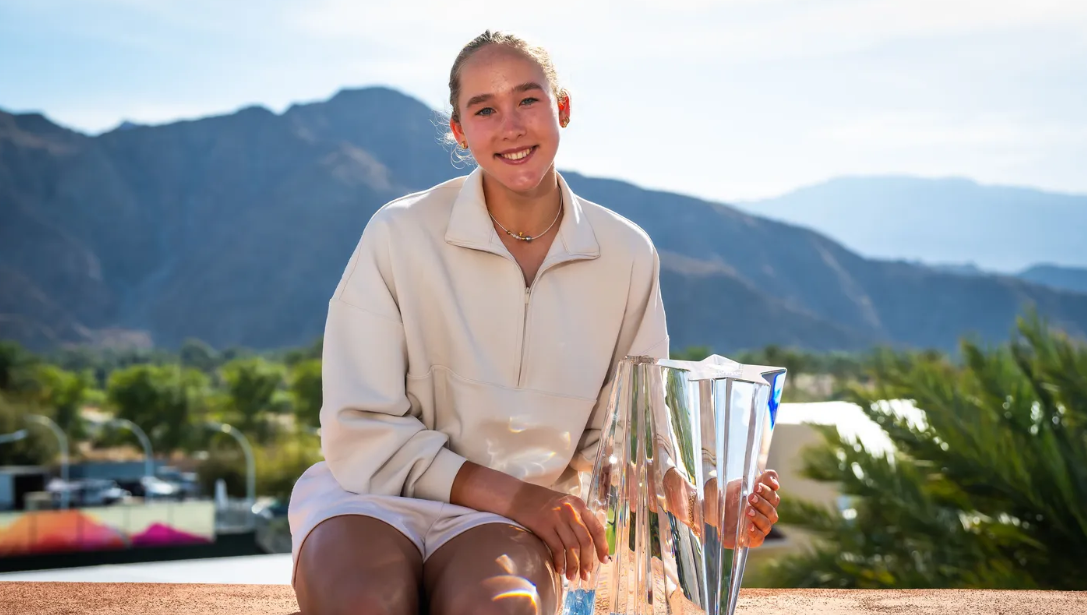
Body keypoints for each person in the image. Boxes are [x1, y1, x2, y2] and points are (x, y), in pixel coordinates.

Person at [288, 30, 783, 615]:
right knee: (365, 601)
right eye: (485, 110)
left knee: (500, 608)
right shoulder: (399, 233)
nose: (511, 126)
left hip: (506, 526)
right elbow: (359, 426)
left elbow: (626, 438)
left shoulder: (626, 254)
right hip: (373, 497)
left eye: (528, 99)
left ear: (561, 108)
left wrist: (703, 504)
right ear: (460, 131)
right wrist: (523, 498)